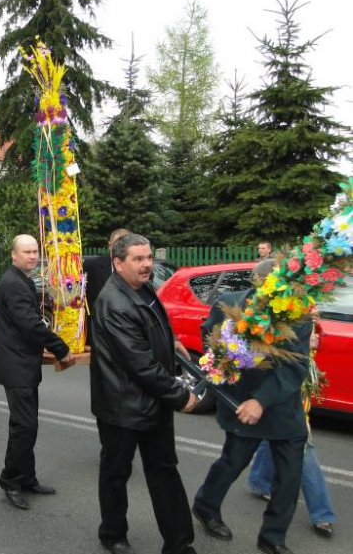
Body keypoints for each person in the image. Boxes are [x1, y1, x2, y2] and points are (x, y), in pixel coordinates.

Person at [193, 259, 310, 554]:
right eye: (266, 286)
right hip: (241, 402)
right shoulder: (227, 303)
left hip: (281, 404)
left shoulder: (297, 315)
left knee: (289, 476)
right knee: (232, 462)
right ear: (255, 283)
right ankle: (206, 506)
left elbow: (295, 367)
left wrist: (262, 400)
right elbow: (210, 341)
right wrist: (222, 362)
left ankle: (272, 538)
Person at [90, 233, 197, 554]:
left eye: (149, 257)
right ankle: (112, 534)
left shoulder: (142, 288)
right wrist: (180, 396)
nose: (147, 264)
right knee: (115, 474)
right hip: (122, 408)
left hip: (152, 403)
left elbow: (155, 327)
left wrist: (171, 341)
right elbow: (140, 365)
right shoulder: (114, 302)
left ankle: (179, 544)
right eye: (138, 259)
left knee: (164, 472)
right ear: (118, 263)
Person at [0, 234, 71, 510]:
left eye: (35, 251)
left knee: (29, 425)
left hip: (23, 363)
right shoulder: (13, 283)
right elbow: (30, 324)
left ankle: (27, 477)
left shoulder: (21, 279)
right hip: (16, 366)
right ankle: (10, 480)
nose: (33, 256)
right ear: (14, 255)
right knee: (23, 426)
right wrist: (60, 347)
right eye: (26, 252)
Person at [246, 308, 336, 538]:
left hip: (299, 382)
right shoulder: (274, 298)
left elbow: (313, 337)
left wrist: (314, 329)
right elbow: (271, 346)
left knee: (276, 434)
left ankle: (259, 480)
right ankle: (322, 513)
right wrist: (304, 341)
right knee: (303, 446)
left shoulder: (304, 294)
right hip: (280, 384)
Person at [83, 228, 132, 346]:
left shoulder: (136, 268)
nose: (119, 248)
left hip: (129, 334)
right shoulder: (91, 266)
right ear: (109, 245)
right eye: (116, 243)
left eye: (124, 244)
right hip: (99, 334)